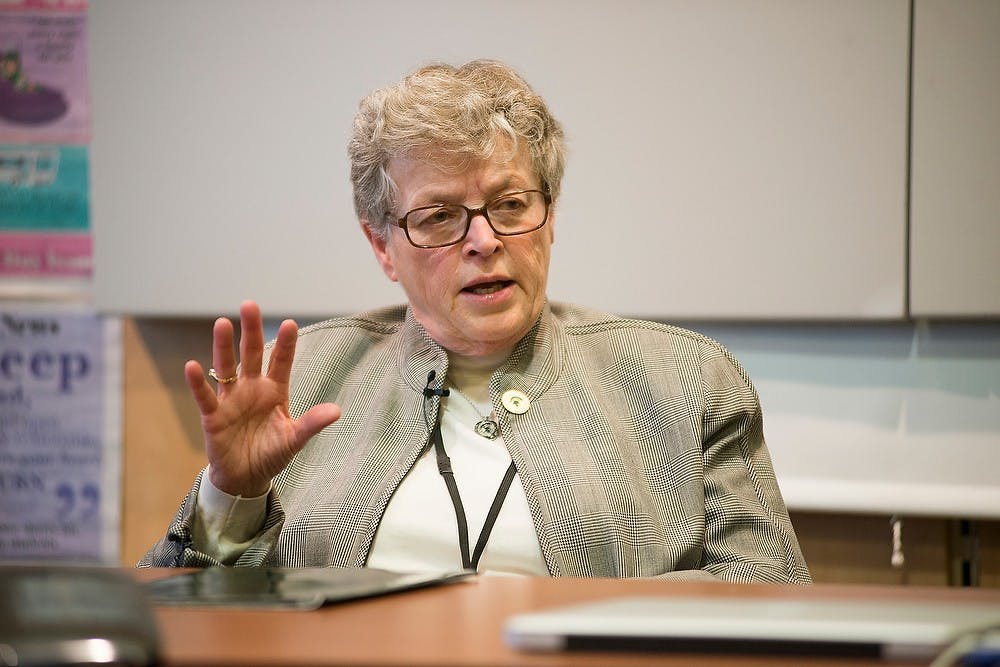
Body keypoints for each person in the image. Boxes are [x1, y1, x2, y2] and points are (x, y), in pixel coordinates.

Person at [139, 59, 810, 583]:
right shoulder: (306, 379)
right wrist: (234, 497)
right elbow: (179, 612)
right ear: (381, 246)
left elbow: (769, 594)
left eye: (511, 204)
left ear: (550, 217)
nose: (484, 239)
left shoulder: (688, 380)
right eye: (439, 217)